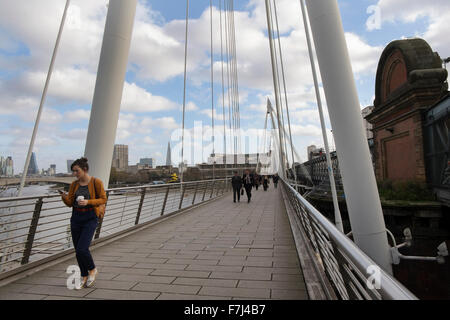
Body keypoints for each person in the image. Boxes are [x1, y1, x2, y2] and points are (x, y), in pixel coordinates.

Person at [60, 157, 106, 289]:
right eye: (73, 171)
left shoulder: (96, 182)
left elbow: (103, 199)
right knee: (77, 251)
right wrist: (64, 197)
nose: (74, 174)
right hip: (76, 218)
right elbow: (70, 204)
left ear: (85, 169)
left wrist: (88, 202)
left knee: (82, 248)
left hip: (90, 217)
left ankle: (92, 269)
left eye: (76, 171)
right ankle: (83, 275)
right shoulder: (74, 185)